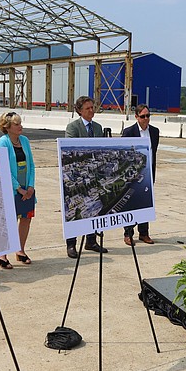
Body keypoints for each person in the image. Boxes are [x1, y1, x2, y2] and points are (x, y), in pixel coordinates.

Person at [64, 96, 108, 258]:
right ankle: (71, 244)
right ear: (79, 111)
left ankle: (91, 240)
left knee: (93, 207)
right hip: (77, 176)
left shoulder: (98, 127)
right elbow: (71, 149)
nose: (91, 110)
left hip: (94, 174)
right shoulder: (73, 127)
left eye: (92, 107)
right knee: (75, 210)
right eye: (88, 108)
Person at [0, 112, 36, 268]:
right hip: (12, 189)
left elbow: (31, 164)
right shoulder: (3, 142)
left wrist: (30, 186)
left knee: (26, 218)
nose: (21, 126)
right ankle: (2, 255)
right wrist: (18, 188)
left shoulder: (24, 141)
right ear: (7, 127)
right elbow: (3, 167)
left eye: (20, 123)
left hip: (27, 188)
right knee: (9, 221)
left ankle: (20, 250)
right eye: (17, 124)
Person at [121, 104, 159, 246]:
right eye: (142, 116)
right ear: (136, 117)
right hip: (133, 174)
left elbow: (154, 152)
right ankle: (128, 233)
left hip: (149, 173)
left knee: (145, 203)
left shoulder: (154, 132)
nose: (146, 119)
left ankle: (144, 233)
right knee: (131, 203)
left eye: (148, 116)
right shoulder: (129, 131)